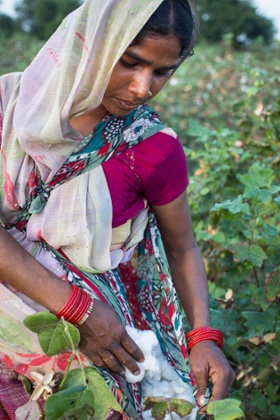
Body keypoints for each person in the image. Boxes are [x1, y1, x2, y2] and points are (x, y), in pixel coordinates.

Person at [0, 0, 235, 419]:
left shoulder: (151, 147)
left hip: (97, 349)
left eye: (162, 72)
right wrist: (79, 310)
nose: (143, 88)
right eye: (129, 63)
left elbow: (182, 249)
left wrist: (203, 337)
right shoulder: (10, 108)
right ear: (93, 44)